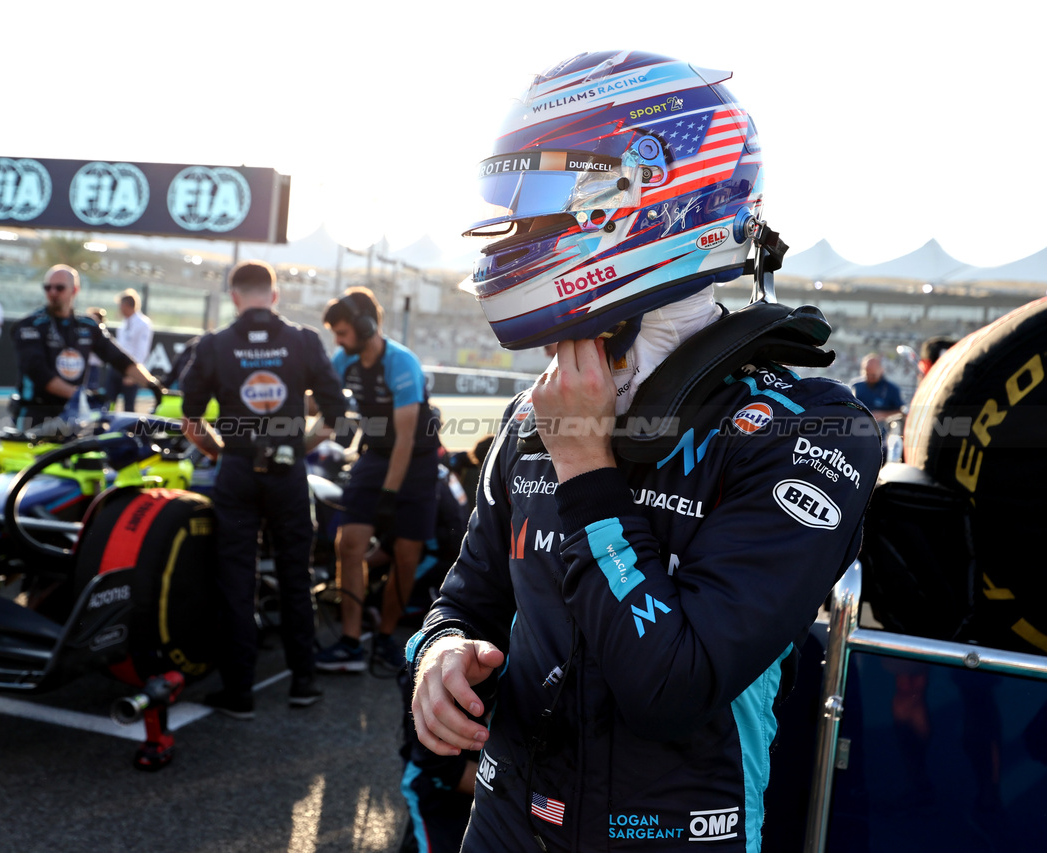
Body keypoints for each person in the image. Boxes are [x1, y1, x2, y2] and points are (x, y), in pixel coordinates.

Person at [407, 50, 883, 851]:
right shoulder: (540, 411)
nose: (520, 225)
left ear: (656, 196)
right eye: (513, 196)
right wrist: (437, 655)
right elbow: (465, 596)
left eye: (550, 194)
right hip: (501, 825)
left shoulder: (811, 429)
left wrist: (586, 468)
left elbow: (672, 684)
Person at [179, 260, 348, 718]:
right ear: (274, 295)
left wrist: (221, 453)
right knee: (296, 577)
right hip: (289, 472)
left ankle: (239, 693)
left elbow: (189, 419)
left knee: (237, 581)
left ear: (234, 296)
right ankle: (304, 684)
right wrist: (301, 444)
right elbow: (336, 413)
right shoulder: (304, 340)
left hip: (236, 470)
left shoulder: (215, 345)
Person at [317, 287, 440, 673]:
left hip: (416, 463)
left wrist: (389, 494)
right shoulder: (343, 360)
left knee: (406, 557)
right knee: (349, 544)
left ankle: (386, 637)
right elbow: (322, 409)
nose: (337, 340)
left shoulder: (401, 363)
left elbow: (405, 439)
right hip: (374, 457)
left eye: (341, 332)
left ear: (366, 326)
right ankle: (351, 643)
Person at [10, 265, 160, 428]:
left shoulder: (88, 325)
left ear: (74, 290)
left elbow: (119, 359)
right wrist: (81, 396)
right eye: (48, 287)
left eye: (59, 288)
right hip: (34, 415)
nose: (52, 292)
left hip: (73, 416)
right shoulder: (29, 326)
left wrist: (153, 385)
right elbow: (38, 373)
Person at [104, 288, 154, 412]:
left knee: (128, 408)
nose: (119, 308)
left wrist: (133, 375)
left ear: (126, 305)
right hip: (116, 369)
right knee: (108, 404)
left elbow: (142, 351)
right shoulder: (124, 323)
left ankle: (128, 431)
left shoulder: (143, 323)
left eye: (120, 305)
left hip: (131, 370)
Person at [852, 352, 905, 423]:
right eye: (867, 374)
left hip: (884, 430)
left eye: (873, 375)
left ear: (881, 370)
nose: (870, 377)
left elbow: (901, 412)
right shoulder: (856, 387)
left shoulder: (892, 389)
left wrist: (883, 415)